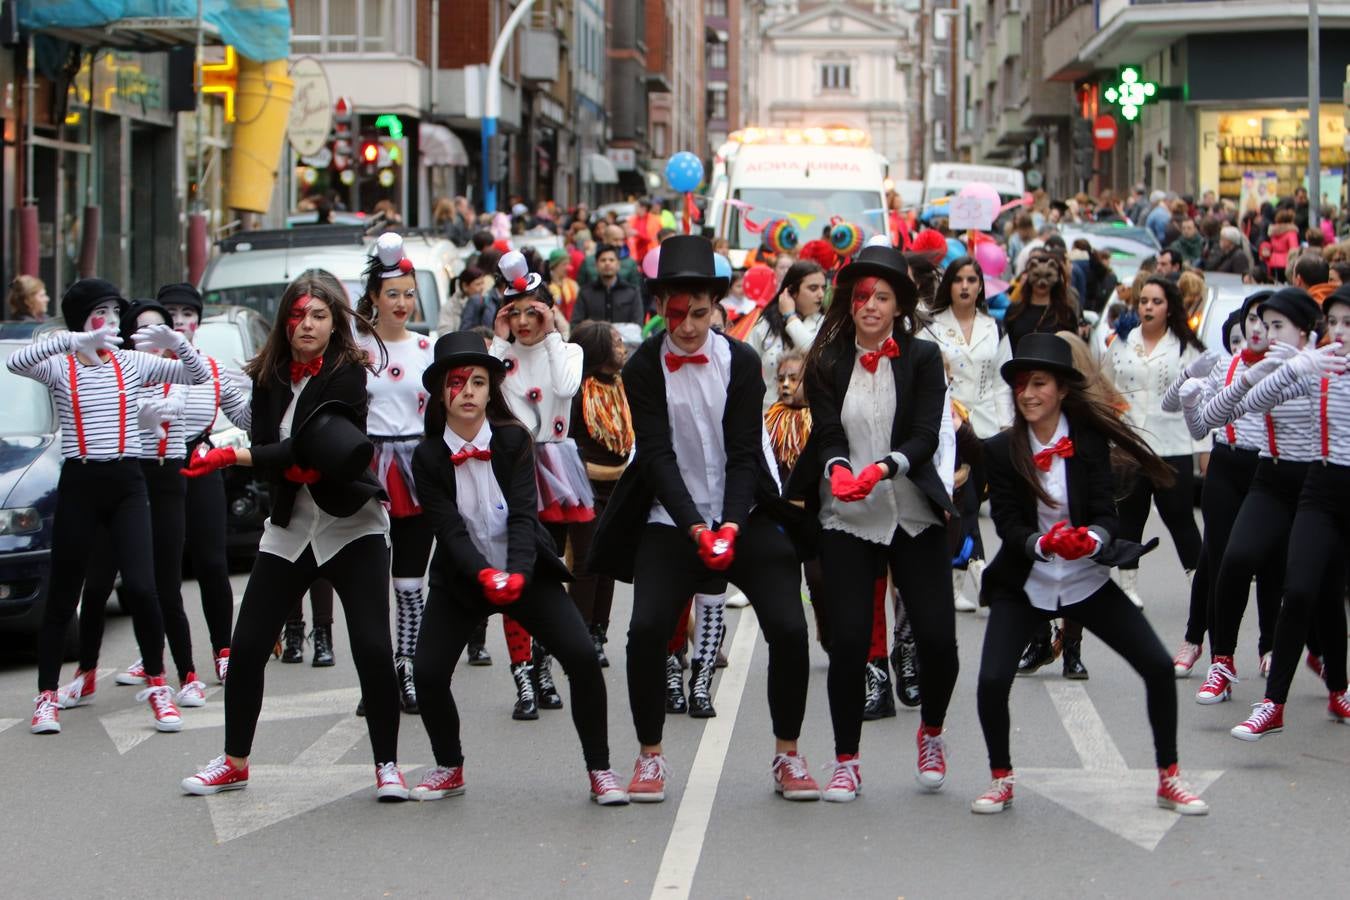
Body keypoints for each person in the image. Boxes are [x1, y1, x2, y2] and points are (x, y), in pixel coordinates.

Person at [588, 234, 820, 803]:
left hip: (742, 512)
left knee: (790, 628)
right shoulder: (643, 366)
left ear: (715, 306)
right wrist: (695, 526)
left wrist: (731, 526)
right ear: (660, 307)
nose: (687, 325)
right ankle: (650, 758)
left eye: (698, 312)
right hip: (671, 518)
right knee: (644, 631)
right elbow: (658, 456)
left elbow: (743, 452)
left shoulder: (741, 361)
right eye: (675, 313)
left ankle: (788, 755)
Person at [180, 270, 409, 801]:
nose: (306, 324)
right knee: (249, 646)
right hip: (291, 528)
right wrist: (268, 460)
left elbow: (306, 448)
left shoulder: (350, 373)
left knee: (374, 648)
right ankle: (235, 761)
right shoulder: (269, 377)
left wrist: (235, 454)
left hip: (352, 526)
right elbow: (272, 451)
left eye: (319, 315)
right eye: (298, 314)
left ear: (335, 323)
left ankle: (387, 766)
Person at [971, 332, 1210, 817]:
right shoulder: (1000, 449)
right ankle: (1001, 778)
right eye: (1021, 385)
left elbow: (1104, 511)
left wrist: (1093, 539)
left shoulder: (1090, 443)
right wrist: (1041, 543)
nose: (1029, 393)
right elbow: (1008, 523)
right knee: (992, 682)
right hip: (1027, 584)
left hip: (1085, 582)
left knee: (1159, 668)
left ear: (1061, 389)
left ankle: (1169, 777)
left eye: (1040, 383)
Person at [405, 331, 627, 804]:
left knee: (583, 658)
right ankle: (449, 766)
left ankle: (601, 770)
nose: (467, 391)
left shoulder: (513, 440)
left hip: (526, 570)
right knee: (426, 672)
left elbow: (527, 515)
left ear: (491, 391)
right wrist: (484, 575)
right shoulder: (426, 457)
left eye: (478, 383)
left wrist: (519, 575)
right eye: (458, 382)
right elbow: (449, 531)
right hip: (464, 578)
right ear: (441, 391)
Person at [792, 243, 958, 802]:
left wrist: (886, 467)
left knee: (938, 638)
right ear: (850, 300)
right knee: (849, 641)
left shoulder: (923, 358)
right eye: (862, 294)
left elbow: (926, 434)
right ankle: (846, 759)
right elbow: (827, 432)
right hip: (848, 516)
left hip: (911, 509)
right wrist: (839, 468)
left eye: (882, 296)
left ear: (898, 305)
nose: (871, 304)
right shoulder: (828, 359)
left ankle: (931, 732)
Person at [15, 278, 213, 735]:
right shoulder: (60, 367)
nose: (107, 319)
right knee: (65, 592)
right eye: (98, 311)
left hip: (128, 483)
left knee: (144, 587)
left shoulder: (131, 362)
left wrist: (176, 344)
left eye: (111, 310)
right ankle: (47, 696)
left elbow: (197, 376)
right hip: (81, 482)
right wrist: (71, 340)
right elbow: (15, 362)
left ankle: (160, 687)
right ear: (81, 319)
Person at [64, 299, 217, 712]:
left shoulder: (173, 370)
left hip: (167, 480)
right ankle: (86, 673)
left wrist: (179, 352)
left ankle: (185, 674)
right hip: (126, 480)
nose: (151, 342)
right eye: (142, 332)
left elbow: (195, 385)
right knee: (97, 585)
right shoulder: (118, 370)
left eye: (159, 332)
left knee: (166, 585)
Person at [1190, 287, 1330, 704]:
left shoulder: (1328, 368)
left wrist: (1300, 369)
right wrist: (1252, 376)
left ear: (1305, 332)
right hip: (1268, 478)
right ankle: (1223, 661)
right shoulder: (1260, 367)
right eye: (1262, 325)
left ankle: (1327, 666)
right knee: (1232, 560)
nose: (1266, 334)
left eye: (1276, 327)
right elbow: (1212, 417)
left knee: (1310, 585)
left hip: (1316, 485)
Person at [1227, 286, 1350, 739]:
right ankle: (1273, 705)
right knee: (1298, 592)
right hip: (1319, 491)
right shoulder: (1314, 367)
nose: (1338, 332)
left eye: (1348, 323)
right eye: (1333, 322)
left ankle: (1339, 687)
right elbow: (1255, 402)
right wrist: (1297, 364)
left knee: (1332, 595)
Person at [490, 250, 592, 718]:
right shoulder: (501, 358)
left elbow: (567, 387)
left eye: (534, 310)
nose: (524, 320)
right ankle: (522, 677)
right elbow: (480, 394)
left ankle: (544, 668)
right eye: (516, 312)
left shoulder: (567, 350)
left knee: (548, 574)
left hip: (555, 471)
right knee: (516, 571)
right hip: (511, 469)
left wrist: (551, 332)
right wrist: (496, 340)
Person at [1168, 294, 1282, 678]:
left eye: (1267, 322)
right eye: (1252, 318)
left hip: (1267, 468)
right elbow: (1196, 423)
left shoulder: (1290, 370)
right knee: (1215, 557)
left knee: (1269, 561)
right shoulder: (1226, 365)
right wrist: (1188, 386)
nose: (1256, 328)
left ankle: (1270, 645)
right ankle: (1208, 649)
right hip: (1226, 463)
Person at [354, 234, 436, 714]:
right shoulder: (356, 351)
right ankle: (376, 676)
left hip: (416, 469)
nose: (403, 303)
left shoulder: (428, 349)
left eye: (409, 293)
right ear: (374, 299)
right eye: (393, 294)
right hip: (366, 471)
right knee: (368, 583)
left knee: (410, 580)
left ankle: (407, 668)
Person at [1101, 276, 1205, 607]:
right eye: (1143, 301)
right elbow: (1105, 386)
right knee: (1129, 515)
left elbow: (1200, 400)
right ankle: (1128, 583)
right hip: (1129, 445)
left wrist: (1204, 449)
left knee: (1180, 517)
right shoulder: (1121, 341)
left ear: (1169, 307)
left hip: (1172, 444)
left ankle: (1199, 581)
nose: (1148, 307)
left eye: (1156, 302)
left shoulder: (1186, 348)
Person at [918, 255, 1012, 611]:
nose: (965, 286)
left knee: (974, 504)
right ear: (949, 285)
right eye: (959, 280)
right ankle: (981, 577)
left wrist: (1007, 427)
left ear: (981, 286)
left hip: (987, 426)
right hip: (948, 425)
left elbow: (1004, 382)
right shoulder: (930, 327)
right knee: (965, 502)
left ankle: (956, 581)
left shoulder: (995, 327)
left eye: (973, 280)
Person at [566, 320, 632, 665]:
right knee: (588, 562)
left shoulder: (623, 387)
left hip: (617, 488)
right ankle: (577, 635)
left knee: (608, 563)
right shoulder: (579, 391)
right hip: (585, 486)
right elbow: (569, 442)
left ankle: (598, 633)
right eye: (617, 343)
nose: (622, 348)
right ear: (598, 349)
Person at [747, 260, 826, 408]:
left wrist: (790, 316)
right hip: (767, 415)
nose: (821, 294)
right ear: (792, 292)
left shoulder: (826, 324)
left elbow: (812, 351)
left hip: (810, 419)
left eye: (823, 288)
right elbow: (746, 366)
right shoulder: (766, 324)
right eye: (813, 288)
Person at [1003, 247, 1079, 353]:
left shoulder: (1065, 314)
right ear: (1028, 275)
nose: (1042, 282)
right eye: (1036, 275)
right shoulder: (1014, 312)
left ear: (1056, 277)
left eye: (1048, 276)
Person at [573, 245, 644, 327]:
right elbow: (576, 324)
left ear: (618, 265)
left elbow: (638, 324)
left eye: (611, 260)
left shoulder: (632, 292)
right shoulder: (585, 293)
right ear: (596, 265)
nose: (607, 263)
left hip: (625, 339)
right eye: (603, 260)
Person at [547, 248, 580, 323]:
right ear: (554, 266)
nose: (568, 268)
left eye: (568, 264)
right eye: (564, 264)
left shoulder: (573, 284)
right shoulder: (548, 288)